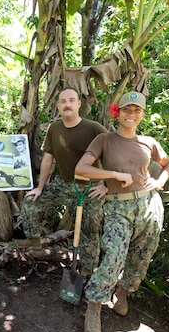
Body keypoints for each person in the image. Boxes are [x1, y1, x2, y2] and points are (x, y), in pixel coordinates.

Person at [75, 91, 169, 332]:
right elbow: (81, 169)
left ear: (142, 113)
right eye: (126, 110)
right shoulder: (104, 140)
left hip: (149, 205)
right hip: (118, 207)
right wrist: (114, 176)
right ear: (117, 112)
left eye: (137, 110)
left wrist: (160, 181)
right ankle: (95, 305)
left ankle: (122, 291)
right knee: (114, 256)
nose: (131, 115)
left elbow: (168, 164)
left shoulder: (148, 142)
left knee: (142, 254)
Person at [19, 87, 121, 275]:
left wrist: (106, 185)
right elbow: (48, 159)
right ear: (58, 105)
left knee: (89, 231)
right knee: (30, 205)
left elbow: (114, 154)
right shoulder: (54, 128)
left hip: (90, 189)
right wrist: (40, 188)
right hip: (63, 184)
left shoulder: (93, 128)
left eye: (71, 100)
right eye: (63, 101)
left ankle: (88, 271)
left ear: (79, 104)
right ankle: (37, 247)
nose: (67, 104)